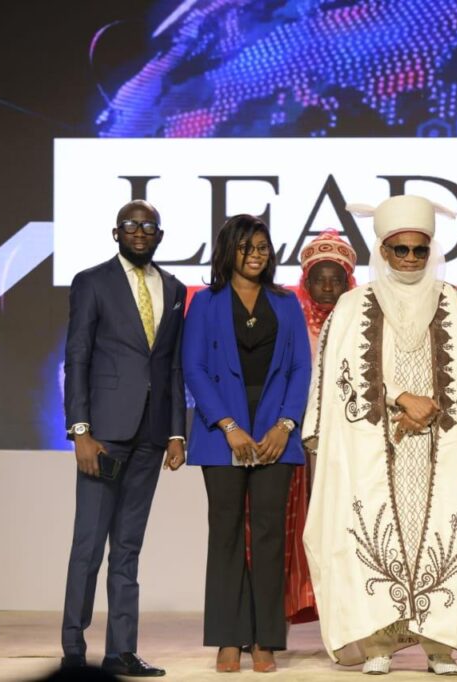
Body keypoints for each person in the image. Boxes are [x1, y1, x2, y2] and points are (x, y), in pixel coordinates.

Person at [302, 195, 457, 675]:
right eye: (400, 249)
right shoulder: (352, 306)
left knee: (448, 534)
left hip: (443, 444)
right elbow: (342, 379)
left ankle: (440, 645)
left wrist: (428, 407)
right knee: (371, 535)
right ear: (383, 251)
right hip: (374, 444)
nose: (410, 258)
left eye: (419, 249)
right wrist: (401, 399)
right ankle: (378, 644)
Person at [61, 199, 187, 677]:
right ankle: (74, 651)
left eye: (148, 226)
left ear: (160, 235)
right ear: (116, 233)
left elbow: (171, 365)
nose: (139, 231)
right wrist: (80, 430)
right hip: (104, 437)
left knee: (128, 548)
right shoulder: (92, 282)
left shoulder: (173, 288)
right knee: (89, 546)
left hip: (151, 436)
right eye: (131, 224)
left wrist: (176, 432)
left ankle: (121, 652)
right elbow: (78, 357)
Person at [182, 214, 311, 673]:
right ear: (228, 251)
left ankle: (265, 640)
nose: (256, 254)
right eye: (246, 247)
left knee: (271, 536)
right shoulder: (205, 303)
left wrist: (285, 425)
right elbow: (194, 368)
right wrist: (229, 426)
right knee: (226, 533)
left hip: (276, 433)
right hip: (223, 435)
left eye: (262, 247)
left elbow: (301, 368)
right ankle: (227, 638)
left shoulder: (287, 302)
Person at [281, 229, 357, 625]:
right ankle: (300, 600)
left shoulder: (361, 323)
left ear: (349, 282)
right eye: (318, 278)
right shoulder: (290, 323)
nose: (327, 287)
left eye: (336, 278)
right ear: (305, 282)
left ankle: (350, 614)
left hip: (349, 442)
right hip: (299, 440)